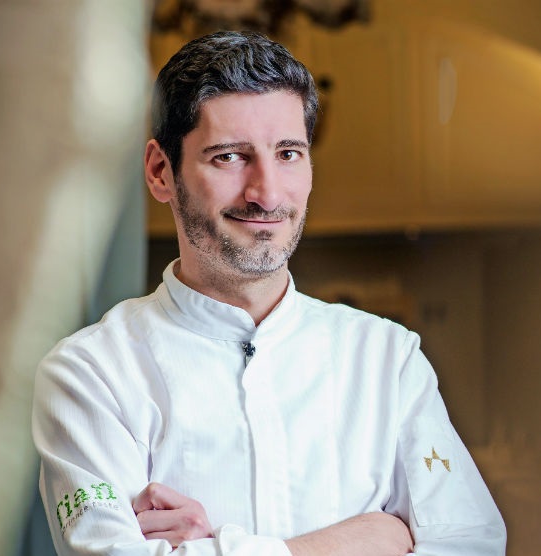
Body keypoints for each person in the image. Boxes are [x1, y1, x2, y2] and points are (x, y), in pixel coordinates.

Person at [32, 30, 507, 555]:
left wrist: (214, 547)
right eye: (229, 157)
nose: (267, 193)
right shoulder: (91, 374)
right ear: (161, 171)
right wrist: (364, 539)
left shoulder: (388, 360)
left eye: (287, 153)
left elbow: (472, 546)